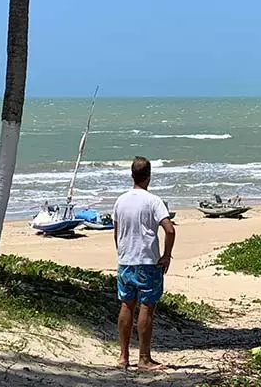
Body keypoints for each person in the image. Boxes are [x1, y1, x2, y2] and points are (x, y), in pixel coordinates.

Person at [112, 156, 176, 371]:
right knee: (147, 308)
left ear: (132, 175)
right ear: (148, 177)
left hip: (126, 260)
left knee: (126, 305)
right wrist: (166, 255)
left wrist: (122, 251)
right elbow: (170, 229)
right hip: (147, 261)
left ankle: (123, 356)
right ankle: (144, 358)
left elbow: (116, 231)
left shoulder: (120, 200)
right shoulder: (153, 201)